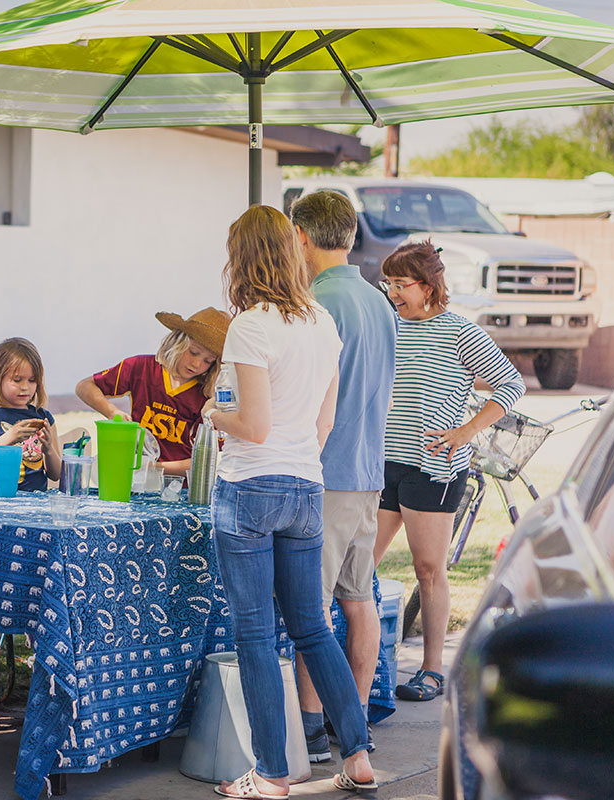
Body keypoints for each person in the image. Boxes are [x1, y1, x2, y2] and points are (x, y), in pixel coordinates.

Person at [207, 205, 374, 799]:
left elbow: (250, 425)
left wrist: (210, 410)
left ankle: (272, 775)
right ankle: (357, 756)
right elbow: (323, 423)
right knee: (312, 627)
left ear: (243, 258)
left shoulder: (250, 326)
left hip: (250, 486)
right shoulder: (321, 323)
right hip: (307, 485)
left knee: (255, 634)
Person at [372, 241, 525, 703]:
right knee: (357, 567)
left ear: (429, 285)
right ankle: (363, 660)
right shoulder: (387, 326)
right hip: (382, 461)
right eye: (389, 284)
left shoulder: (460, 332)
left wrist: (466, 431)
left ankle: (432, 669)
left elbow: (511, 383)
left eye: (401, 284)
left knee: (428, 569)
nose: (393, 292)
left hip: (433, 468)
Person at [289, 190, 395, 759]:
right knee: (359, 602)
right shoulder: (380, 302)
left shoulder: (313, 305)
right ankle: (352, 725)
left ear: (301, 238)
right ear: (350, 236)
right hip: (369, 472)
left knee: (312, 609)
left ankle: (311, 729)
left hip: (324, 473)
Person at [75, 307, 230, 476]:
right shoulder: (140, 367)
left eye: (208, 361)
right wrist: (112, 412)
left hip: (179, 485)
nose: (197, 364)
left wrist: (152, 469)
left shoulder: (208, 397)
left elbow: (205, 460)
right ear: (178, 341)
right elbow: (84, 387)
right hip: (136, 481)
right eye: (193, 352)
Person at [0, 337, 61, 491]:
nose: (25, 387)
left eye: (32, 380)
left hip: (37, 503)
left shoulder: (43, 417)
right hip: (0, 501)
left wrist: (48, 449)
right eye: (17, 380)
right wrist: (9, 437)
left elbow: (56, 474)